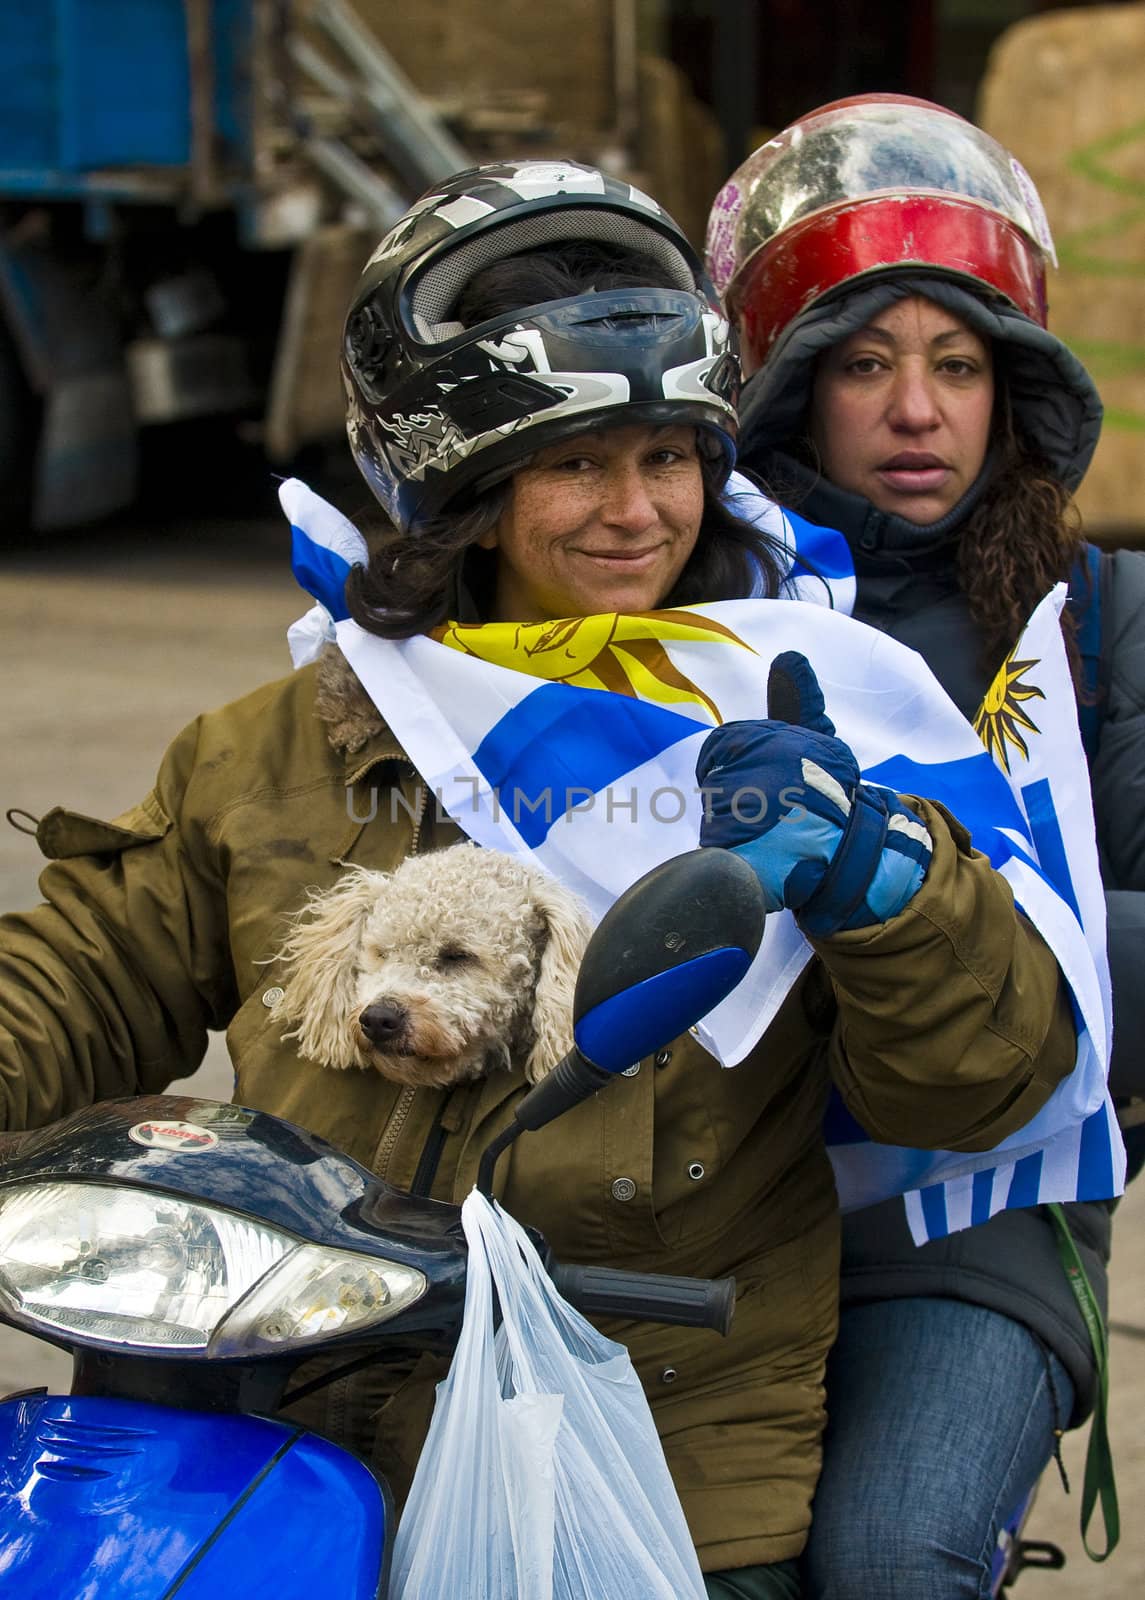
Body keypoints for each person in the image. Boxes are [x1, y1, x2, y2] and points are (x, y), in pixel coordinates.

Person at [0, 159, 1084, 1599]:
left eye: (670, 456)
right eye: (575, 462)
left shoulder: (810, 714)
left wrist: (884, 887)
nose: (638, 513)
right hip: (278, 1402)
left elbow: (974, 1087)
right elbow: (83, 979)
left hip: (652, 1449)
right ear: (459, 486)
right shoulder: (282, 739)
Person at [706, 96, 1145, 1598]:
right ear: (784, 391)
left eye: (957, 367)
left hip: (979, 1216)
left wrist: (910, 903)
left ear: (1008, 392)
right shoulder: (688, 615)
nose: (916, 411)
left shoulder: (1098, 626)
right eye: (865, 367)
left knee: (890, 1562)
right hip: (708, 1198)